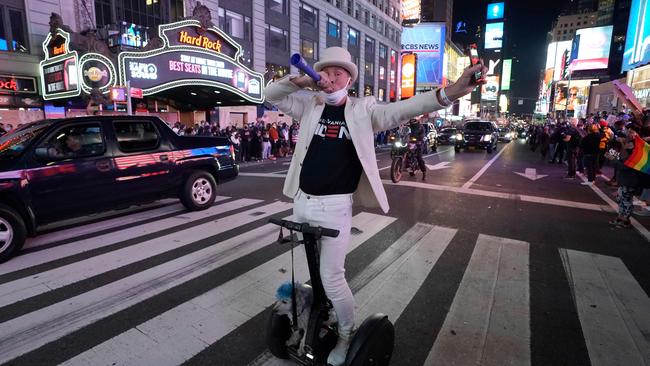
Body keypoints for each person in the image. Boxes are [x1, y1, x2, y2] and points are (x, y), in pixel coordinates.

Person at [264, 46, 486, 366]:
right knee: (313, 269)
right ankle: (313, 317)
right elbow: (271, 93)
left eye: (339, 72)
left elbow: (405, 109)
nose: (331, 76)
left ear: (349, 80)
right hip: (302, 202)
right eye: (326, 71)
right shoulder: (309, 105)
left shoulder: (363, 111)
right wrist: (301, 82)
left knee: (331, 275)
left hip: (334, 207)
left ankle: (346, 333)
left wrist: (451, 92)